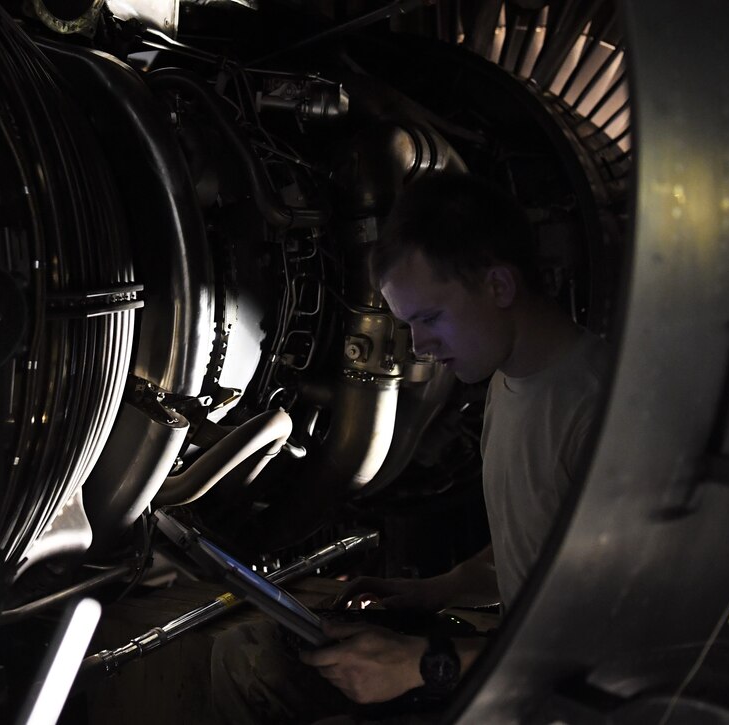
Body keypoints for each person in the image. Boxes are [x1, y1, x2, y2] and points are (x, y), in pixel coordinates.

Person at [211, 173, 610, 722]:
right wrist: (434, 591)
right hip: (513, 673)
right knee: (250, 655)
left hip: (559, 701)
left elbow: (614, 651)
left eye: (429, 318)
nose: (419, 345)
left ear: (498, 286)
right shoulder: (507, 377)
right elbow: (543, 549)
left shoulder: (599, 413)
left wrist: (425, 663)